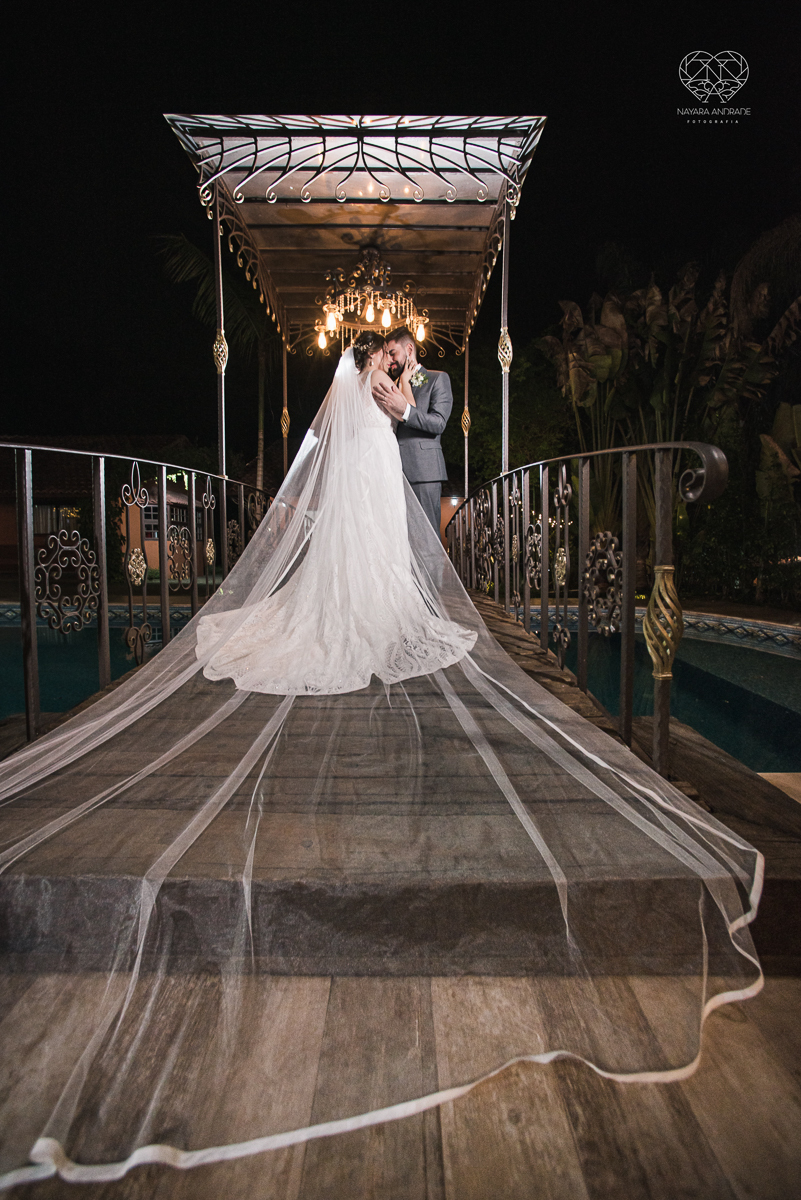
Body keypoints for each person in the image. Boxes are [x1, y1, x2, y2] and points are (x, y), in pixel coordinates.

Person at [0, 330, 763, 1189]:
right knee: (365, 584)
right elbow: (362, 428)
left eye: (403, 348)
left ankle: (387, 617)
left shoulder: (417, 384)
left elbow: (421, 423)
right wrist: (383, 390)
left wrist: (397, 392)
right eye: (390, 348)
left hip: (407, 482)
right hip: (373, 489)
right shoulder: (369, 384)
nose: (400, 355)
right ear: (377, 351)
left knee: (398, 580)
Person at [371, 328, 453, 535]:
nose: (389, 360)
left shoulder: (437, 379)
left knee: (426, 540)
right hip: (391, 472)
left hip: (422, 472)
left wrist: (405, 410)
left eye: (392, 352)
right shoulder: (390, 383)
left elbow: (438, 423)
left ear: (409, 349)